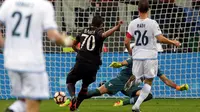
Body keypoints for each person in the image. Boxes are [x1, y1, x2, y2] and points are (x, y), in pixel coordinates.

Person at [0, 0, 71, 112]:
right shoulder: (43, 6)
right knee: (33, 104)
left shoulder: (8, 3)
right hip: (32, 62)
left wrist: (4, 45)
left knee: (23, 101)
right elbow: (53, 36)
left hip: (11, 61)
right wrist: (66, 41)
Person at [124, 0, 181, 111]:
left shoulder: (133, 23)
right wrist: (173, 42)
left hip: (137, 56)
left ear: (138, 10)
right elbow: (160, 39)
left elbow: (126, 41)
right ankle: (136, 105)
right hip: (150, 56)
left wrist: (130, 51)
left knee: (138, 77)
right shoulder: (152, 23)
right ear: (148, 9)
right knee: (148, 81)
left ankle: (135, 80)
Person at [65, 15, 123, 111]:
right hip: (93, 65)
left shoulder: (83, 31)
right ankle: (75, 107)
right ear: (101, 25)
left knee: (70, 81)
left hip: (81, 61)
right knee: (84, 88)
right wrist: (115, 28)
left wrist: (80, 51)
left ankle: (72, 97)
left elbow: (73, 45)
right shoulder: (99, 32)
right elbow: (104, 35)